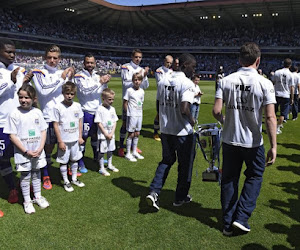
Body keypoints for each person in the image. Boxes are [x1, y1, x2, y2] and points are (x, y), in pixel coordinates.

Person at [213, 42, 277, 236]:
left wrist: (226, 122)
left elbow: (216, 111)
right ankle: (241, 218)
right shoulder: (265, 83)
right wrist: (274, 146)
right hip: (253, 141)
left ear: (239, 59)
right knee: (255, 176)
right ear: (258, 60)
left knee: (229, 179)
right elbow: (270, 117)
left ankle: (227, 223)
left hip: (230, 139)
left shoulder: (225, 80)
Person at [146, 53, 196, 211]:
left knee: (166, 161)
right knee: (185, 165)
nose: (193, 70)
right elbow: (184, 108)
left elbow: (158, 103)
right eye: (192, 67)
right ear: (185, 65)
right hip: (182, 132)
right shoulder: (187, 83)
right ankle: (180, 197)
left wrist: (162, 120)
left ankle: (154, 192)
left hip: (166, 130)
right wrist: (191, 119)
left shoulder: (163, 80)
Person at [24, 45, 74, 190]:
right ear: (45, 58)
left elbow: (69, 92)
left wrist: (69, 79)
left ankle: (65, 169)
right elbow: (44, 91)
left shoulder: (61, 73)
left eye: (55, 58)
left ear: (60, 59)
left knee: (66, 144)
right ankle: (46, 174)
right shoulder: (39, 72)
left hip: (64, 116)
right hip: (48, 117)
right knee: (48, 147)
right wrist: (61, 79)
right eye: (50, 57)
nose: (52, 60)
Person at [4, 85, 50, 214]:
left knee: (36, 173)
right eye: (21, 97)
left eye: (27, 97)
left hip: (38, 151)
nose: (23, 100)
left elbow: (43, 130)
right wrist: (25, 151)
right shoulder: (14, 113)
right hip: (23, 153)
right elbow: (12, 136)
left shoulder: (37, 112)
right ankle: (27, 201)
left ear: (34, 98)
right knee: (25, 175)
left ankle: (38, 197)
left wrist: (40, 148)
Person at [74, 53, 111, 173]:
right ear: (84, 63)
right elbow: (84, 90)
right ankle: (80, 162)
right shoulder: (79, 76)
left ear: (95, 63)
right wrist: (100, 82)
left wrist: (105, 82)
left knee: (96, 136)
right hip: (86, 112)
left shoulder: (96, 75)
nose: (90, 65)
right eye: (88, 62)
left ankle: (96, 156)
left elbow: (101, 91)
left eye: (92, 62)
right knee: (83, 138)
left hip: (98, 111)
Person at [0, 38, 25, 209]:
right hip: (2, 123)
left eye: (14, 52)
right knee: (3, 159)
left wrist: (25, 81)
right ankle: (11, 188)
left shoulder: (16, 71)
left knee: (23, 154)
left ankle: (24, 185)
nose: (12, 55)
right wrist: (11, 80)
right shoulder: (9, 74)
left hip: (19, 122)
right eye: (8, 51)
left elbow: (21, 95)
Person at [52, 82, 85, 192]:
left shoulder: (77, 106)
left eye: (71, 94)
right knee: (64, 161)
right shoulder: (58, 107)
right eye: (67, 93)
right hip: (64, 140)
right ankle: (66, 181)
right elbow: (55, 124)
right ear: (63, 93)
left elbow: (80, 121)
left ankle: (74, 179)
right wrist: (60, 141)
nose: (69, 96)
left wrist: (80, 136)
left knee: (75, 159)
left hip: (75, 139)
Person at [118, 49, 149, 157]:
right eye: (136, 57)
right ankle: (121, 146)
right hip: (128, 101)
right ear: (132, 57)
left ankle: (133, 147)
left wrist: (144, 76)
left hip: (137, 104)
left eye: (140, 57)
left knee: (136, 128)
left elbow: (145, 86)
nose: (138, 59)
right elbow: (125, 83)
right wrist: (140, 75)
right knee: (125, 124)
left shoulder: (141, 69)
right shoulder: (125, 67)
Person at [94, 88, 119, 176]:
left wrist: (111, 133)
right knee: (102, 151)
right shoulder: (99, 109)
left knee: (110, 150)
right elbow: (98, 123)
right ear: (103, 98)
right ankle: (101, 168)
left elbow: (115, 121)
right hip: (103, 135)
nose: (111, 101)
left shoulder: (112, 109)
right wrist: (105, 133)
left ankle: (109, 164)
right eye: (109, 99)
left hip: (111, 134)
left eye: (112, 99)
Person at [124, 73, 145, 162]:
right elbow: (125, 102)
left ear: (141, 81)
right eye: (135, 80)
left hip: (139, 114)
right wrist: (127, 113)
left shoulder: (142, 91)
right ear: (133, 81)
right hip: (132, 114)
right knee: (131, 133)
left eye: (139, 80)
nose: (137, 82)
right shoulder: (129, 90)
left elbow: (141, 102)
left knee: (137, 133)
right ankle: (128, 153)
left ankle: (134, 151)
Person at [153, 55, 173, 141]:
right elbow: (160, 83)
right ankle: (155, 132)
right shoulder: (159, 71)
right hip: (160, 97)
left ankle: (165, 132)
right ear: (164, 61)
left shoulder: (172, 72)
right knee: (159, 115)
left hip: (169, 97)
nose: (168, 64)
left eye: (170, 63)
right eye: (167, 62)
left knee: (168, 115)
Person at [272, 58, 294, 134]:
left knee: (274, 112)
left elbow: (273, 83)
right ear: (290, 65)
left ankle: (273, 125)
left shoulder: (277, 72)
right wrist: (292, 98)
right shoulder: (291, 74)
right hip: (285, 95)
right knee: (283, 113)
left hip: (276, 93)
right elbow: (292, 87)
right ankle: (277, 128)